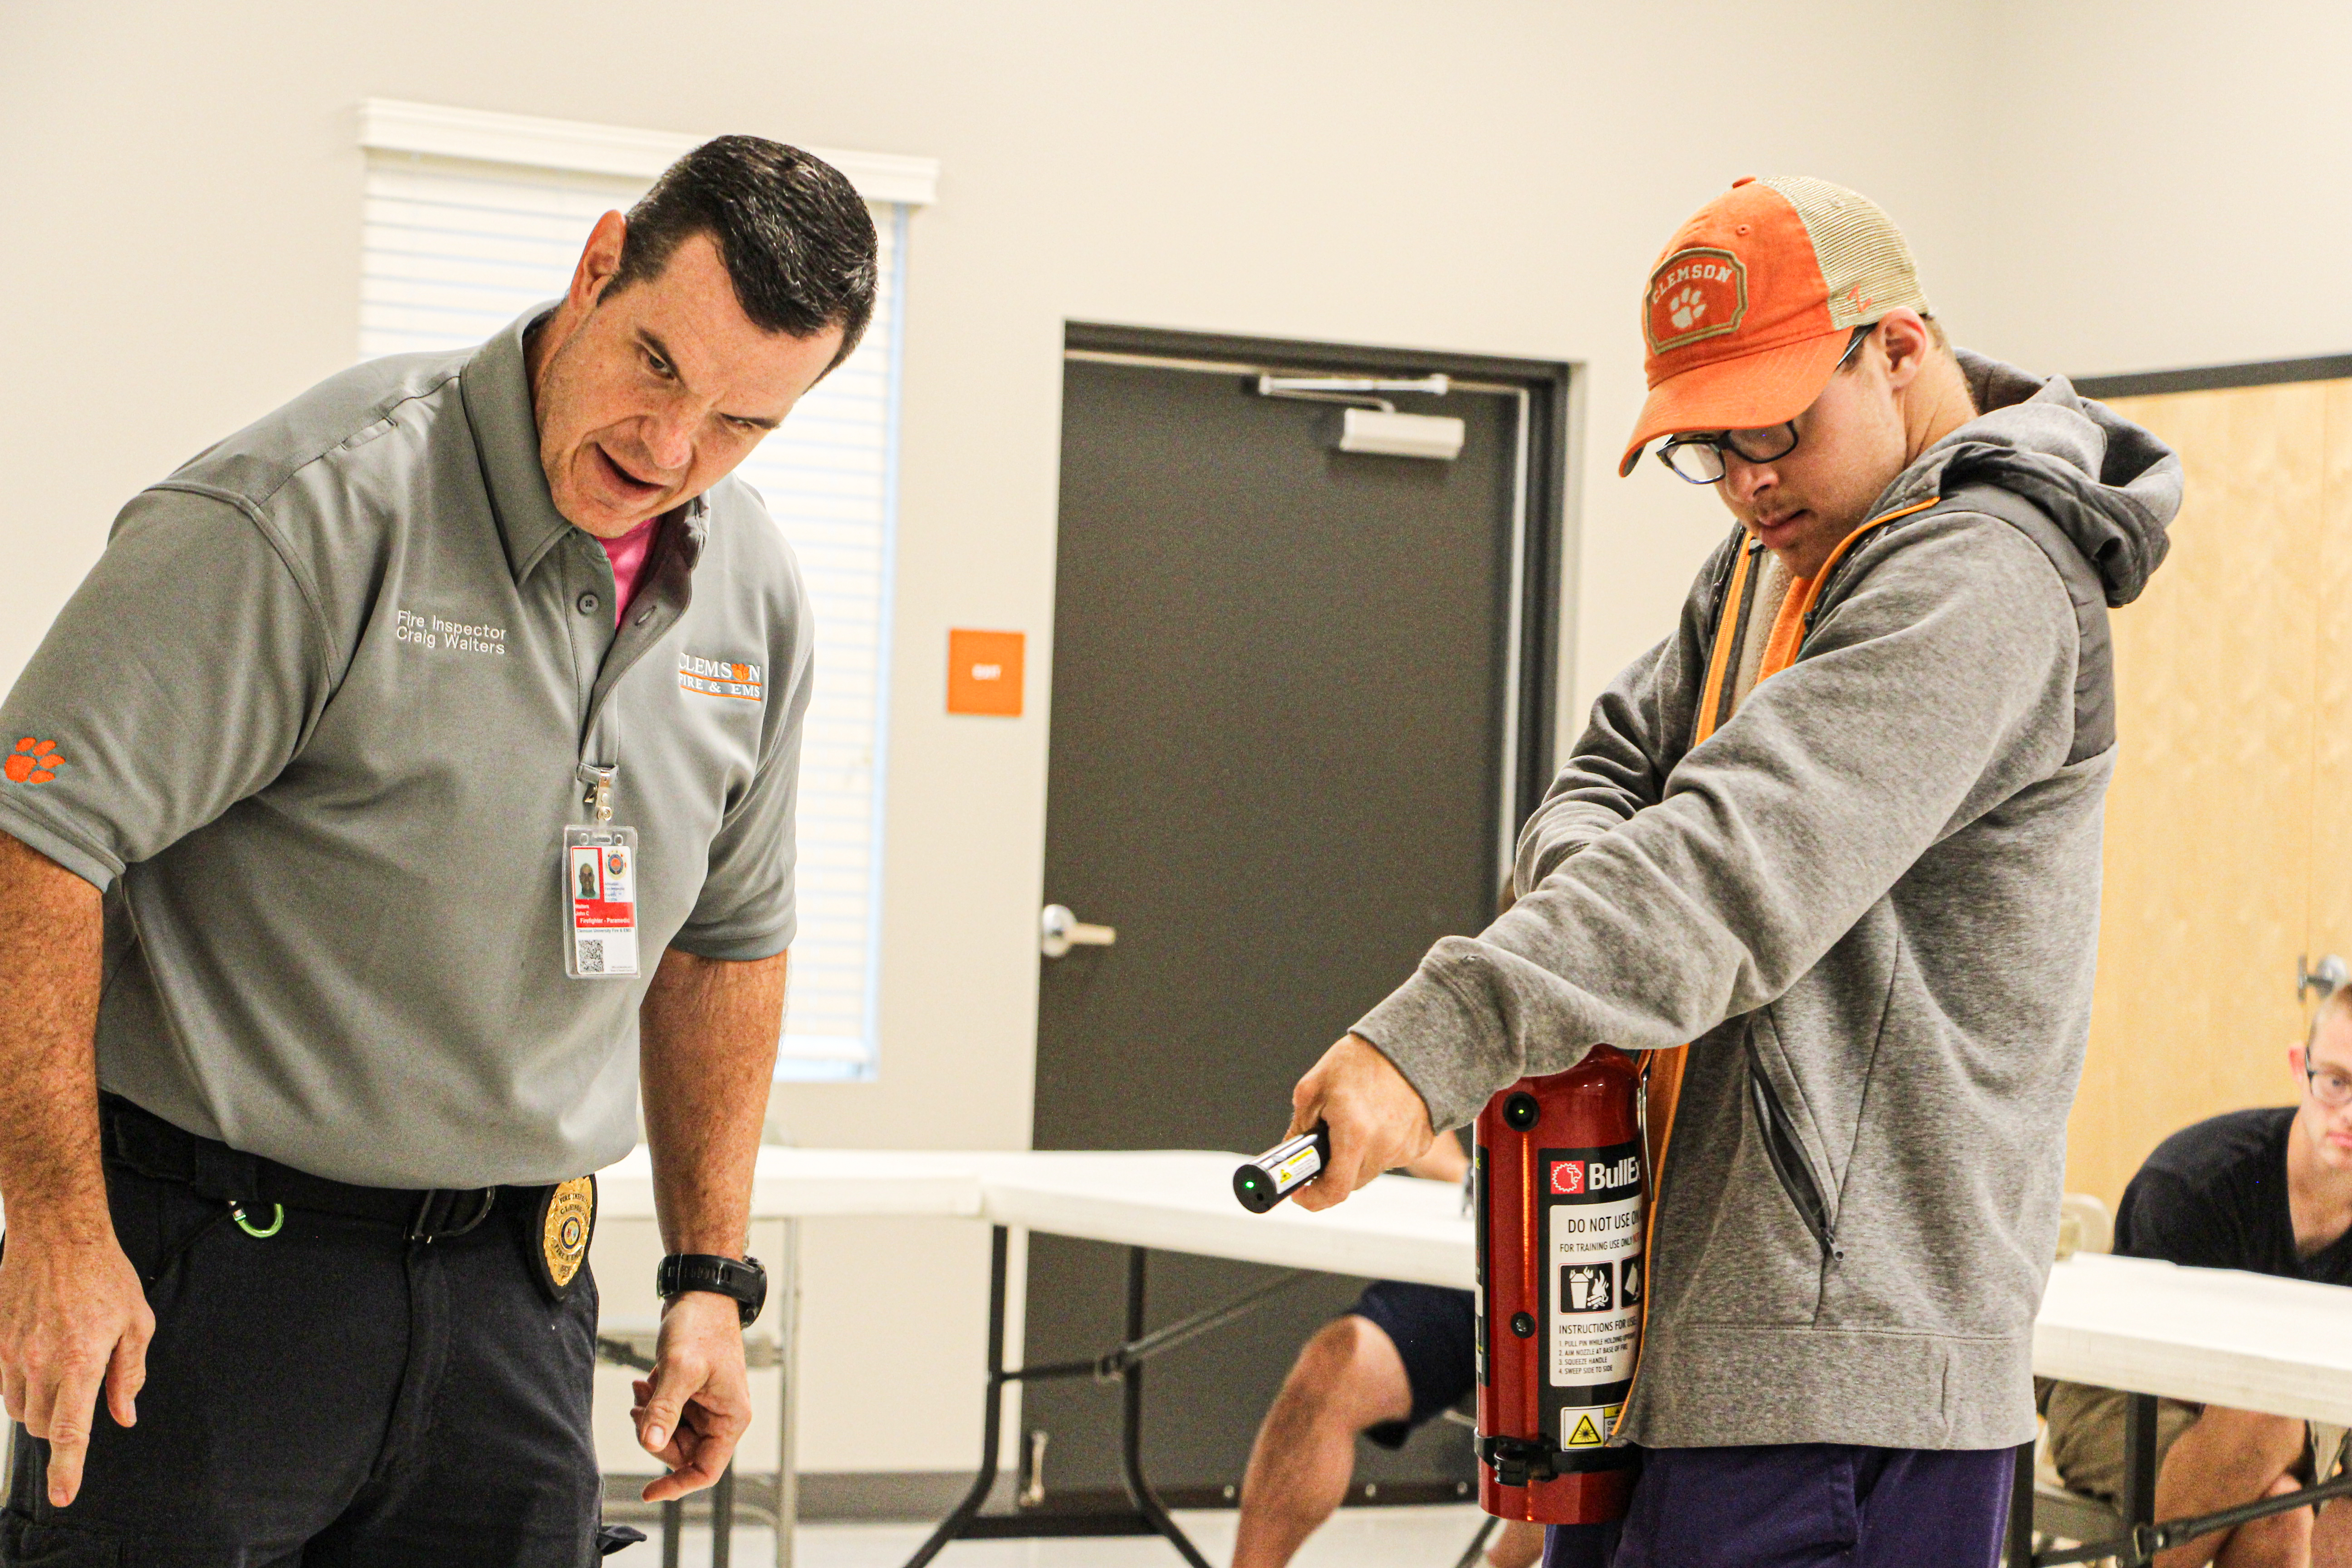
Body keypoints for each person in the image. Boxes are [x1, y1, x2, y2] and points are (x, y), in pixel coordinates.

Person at [1280, 174, 2182, 1567]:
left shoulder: (1983, 582)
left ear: (1897, 348)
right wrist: (1615, 881)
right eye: (1711, 444)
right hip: (1684, 1340)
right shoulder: (1776, 554)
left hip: (1849, 1393)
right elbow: (1608, 779)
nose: (1748, 479)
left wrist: (1434, 1046)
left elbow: (1727, 865)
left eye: (1774, 427)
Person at [0, 136, 873, 1562]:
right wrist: (51, 1228)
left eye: (739, 423)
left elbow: (728, 941)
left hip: (515, 1304)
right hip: (217, 1280)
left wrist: (710, 1274)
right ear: (597, 268)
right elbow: (30, 838)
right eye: (656, 364)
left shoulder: (754, 593)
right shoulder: (313, 513)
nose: (670, 451)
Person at [2041, 986, 2352, 1568]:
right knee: (2267, 1416)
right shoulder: (2196, 1183)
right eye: (2336, 1081)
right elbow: (2129, 1358)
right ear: (2299, 1069)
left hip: (2299, 1415)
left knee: (2282, 1509)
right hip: (2124, 1397)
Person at [1233, 1130, 1544, 1568]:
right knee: (1335, 1365)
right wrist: (1479, 1178)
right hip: (1479, 1257)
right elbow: (1426, 1123)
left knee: (1567, 1403)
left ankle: (1498, 1565)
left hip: (1601, 1265)